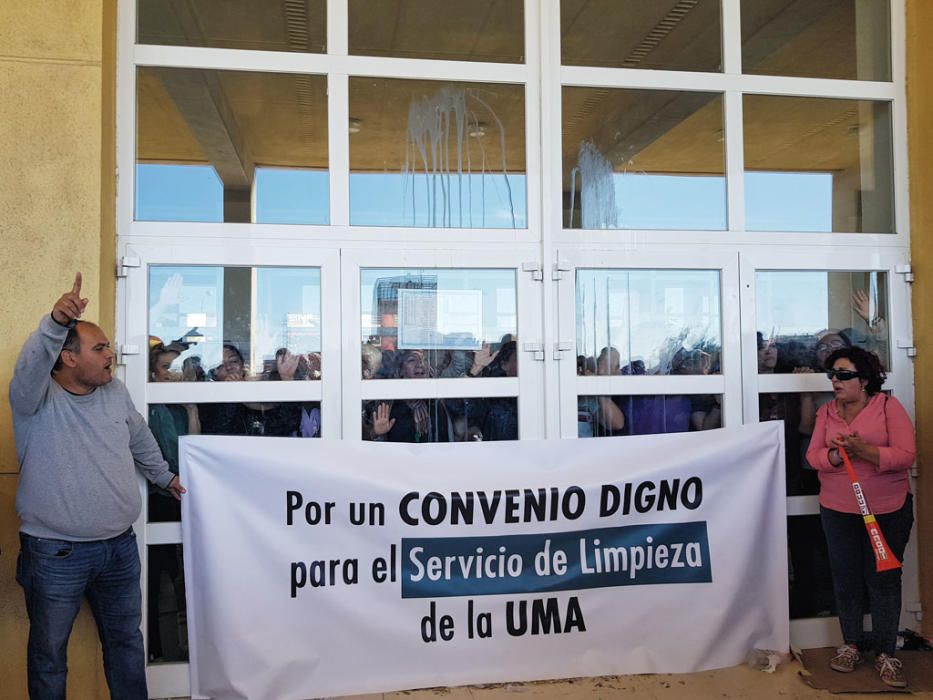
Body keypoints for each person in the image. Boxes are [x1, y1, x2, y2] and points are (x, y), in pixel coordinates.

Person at [11, 273, 185, 699]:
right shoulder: (33, 399)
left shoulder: (114, 392)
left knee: (126, 643)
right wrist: (55, 321)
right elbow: (32, 362)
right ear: (68, 358)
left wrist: (166, 478)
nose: (112, 354)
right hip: (55, 553)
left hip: (119, 549)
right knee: (49, 656)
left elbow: (140, 438)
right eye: (100, 347)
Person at [806, 347, 915, 688]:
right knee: (846, 577)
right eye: (833, 375)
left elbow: (906, 454)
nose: (836, 381)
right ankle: (851, 644)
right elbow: (813, 456)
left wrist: (863, 451)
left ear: (864, 380)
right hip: (838, 510)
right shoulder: (827, 412)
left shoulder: (887, 407)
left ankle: (885, 653)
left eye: (844, 375)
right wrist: (838, 455)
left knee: (883, 580)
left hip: (887, 510)